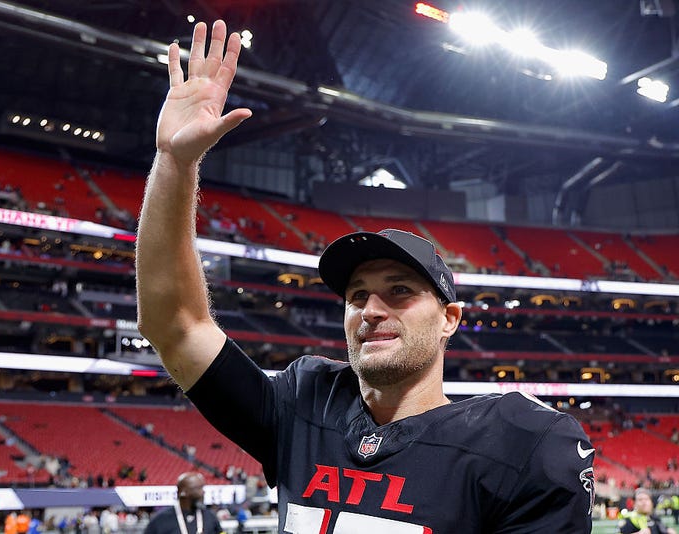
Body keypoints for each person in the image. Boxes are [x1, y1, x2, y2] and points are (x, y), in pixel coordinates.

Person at [135, 19, 596, 533]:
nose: (371, 310)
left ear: (449, 318)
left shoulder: (519, 445)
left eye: (399, 291)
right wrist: (174, 162)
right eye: (357, 296)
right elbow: (175, 324)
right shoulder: (304, 404)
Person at [144, 472, 223, 534]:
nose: (202, 492)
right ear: (183, 492)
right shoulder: (160, 519)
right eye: (197, 488)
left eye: (202, 488)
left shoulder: (210, 516)